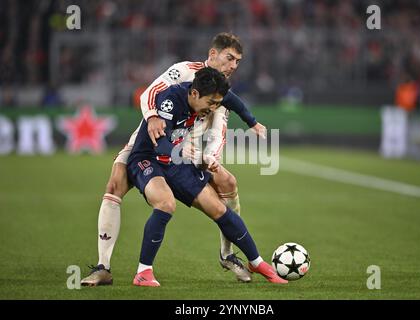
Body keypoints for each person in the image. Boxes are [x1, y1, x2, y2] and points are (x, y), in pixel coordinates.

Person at [81, 33, 266, 286]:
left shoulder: (221, 91)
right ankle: (103, 267)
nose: (234, 65)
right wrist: (154, 116)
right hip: (150, 137)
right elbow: (150, 93)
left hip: (185, 149)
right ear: (213, 55)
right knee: (115, 184)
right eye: (230, 58)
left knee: (228, 183)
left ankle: (227, 254)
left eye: (237, 62)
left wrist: (213, 156)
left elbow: (219, 129)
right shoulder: (183, 71)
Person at [127, 67, 287, 286]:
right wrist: (186, 153)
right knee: (166, 203)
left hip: (174, 160)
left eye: (216, 104)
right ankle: (143, 272)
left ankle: (256, 261)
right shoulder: (170, 100)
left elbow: (232, 101)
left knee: (220, 208)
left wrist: (252, 122)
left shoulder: (206, 95)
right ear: (194, 94)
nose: (213, 109)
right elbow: (161, 143)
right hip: (148, 158)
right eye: (211, 103)